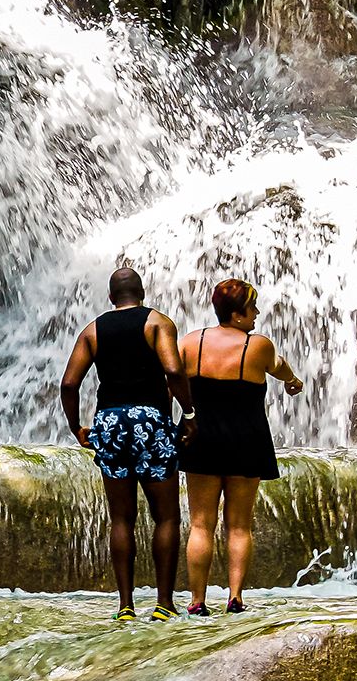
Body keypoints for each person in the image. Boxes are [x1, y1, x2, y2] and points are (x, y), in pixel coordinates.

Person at [60, 266, 196, 622]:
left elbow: (69, 384)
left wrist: (76, 427)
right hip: (150, 420)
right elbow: (173, 370)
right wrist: (190, 412)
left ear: (110, 297)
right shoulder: (157, 323)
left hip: (110, 420)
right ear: (142, 292)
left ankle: (125, 606)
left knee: (121, 517)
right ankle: (164, 604)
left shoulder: (93, 330)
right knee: (166, 515)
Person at [177, 279, 303, 616]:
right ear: (236, 315)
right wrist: (293, 381)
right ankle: (235, 598)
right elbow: (279, 367)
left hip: (200, 438)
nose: (257, 313)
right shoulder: (257, 346)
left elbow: (172, 379)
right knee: (239, 525)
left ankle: (197, 601)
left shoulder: (191, 343)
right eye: (252, 308)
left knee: (201, 524)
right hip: (246, 441)